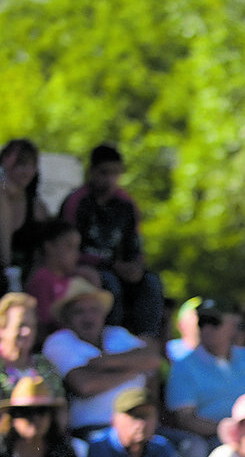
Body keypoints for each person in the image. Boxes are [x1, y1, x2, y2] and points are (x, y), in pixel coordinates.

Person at [58, 144, 165, 338]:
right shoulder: (77, 201)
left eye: (115, 173)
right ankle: (109, 336)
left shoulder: (126, 205)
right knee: (109, 283)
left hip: (118, 268)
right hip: (86, 268)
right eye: (104, 173)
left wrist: (135, 267)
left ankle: (147, 340)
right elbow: (67, 247)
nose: (109, 180)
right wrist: (109, 264)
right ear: (92, 171)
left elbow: (134, 245)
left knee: (151, 282)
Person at [165, 298, 245, 457]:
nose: (207, 329)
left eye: (214, 322)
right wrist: (231, 432)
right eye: (202, 322)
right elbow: (185, 419)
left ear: (233, 325)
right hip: (216, 440)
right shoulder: (183, 366)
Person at [42, 278, 162, 440]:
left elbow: (153, 358)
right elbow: (85, 385)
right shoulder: (59, 341)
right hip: (94, 431)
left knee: (189, 445)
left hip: (141, 427)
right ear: (67, 318)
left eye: (93, 310)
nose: (88, 317)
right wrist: (134, 371)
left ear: (103, 313)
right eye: (79, 311)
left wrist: (104, 362)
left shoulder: (118, 334)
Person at [25, 220, 101, 336]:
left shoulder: (72, 278)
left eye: (77, 248)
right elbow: (46, 321)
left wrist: (94, 280)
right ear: (49, 247)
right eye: (69, 246)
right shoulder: (42, 278)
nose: (76, 254)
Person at [1, 138, 51, 282]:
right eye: (21, 164)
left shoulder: (37, 207)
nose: (26, 170)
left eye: (32, 165)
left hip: (25, 276)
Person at [0, 293, 66, 399]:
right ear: (2, 328)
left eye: (32, 326)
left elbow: (59, 406)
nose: (28, 332)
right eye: (21, 325)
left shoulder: (46, 366)